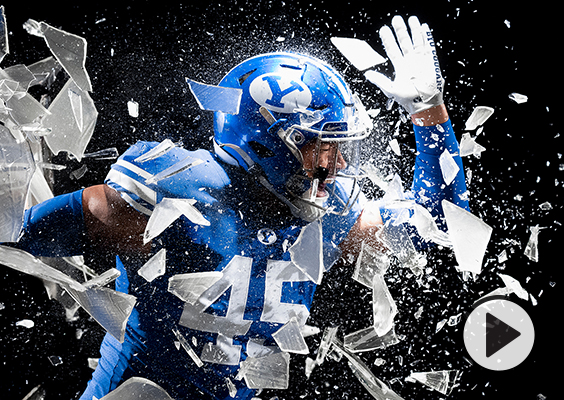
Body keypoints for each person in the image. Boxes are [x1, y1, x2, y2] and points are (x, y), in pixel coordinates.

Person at [4, 15, 468, 400]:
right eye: (323, 147)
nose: (339, 163)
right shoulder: (176, 184)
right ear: (270, 141)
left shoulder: (332, 214)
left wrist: (430, 113)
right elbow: (18, 234)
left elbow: (442, 227)